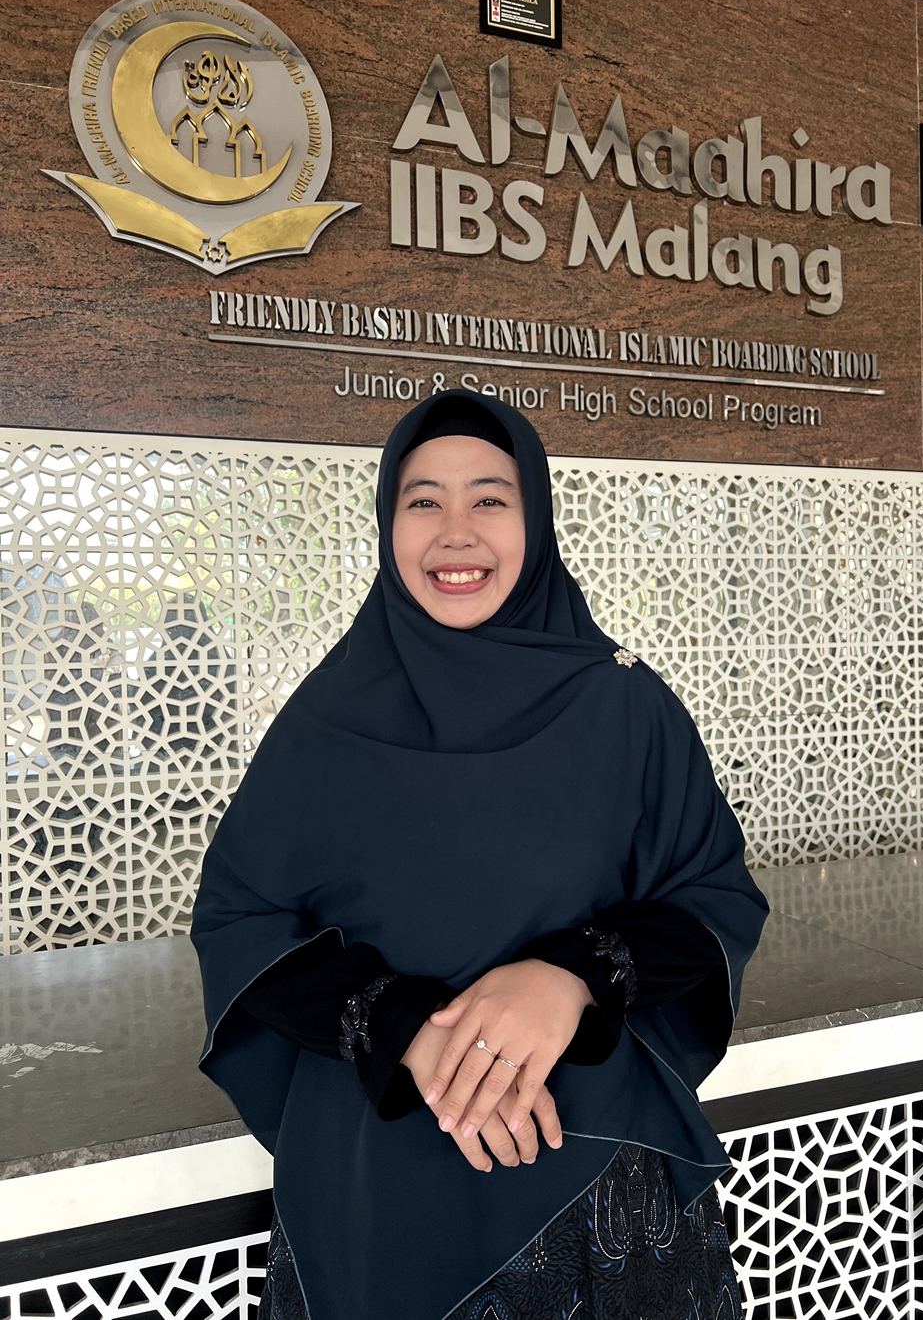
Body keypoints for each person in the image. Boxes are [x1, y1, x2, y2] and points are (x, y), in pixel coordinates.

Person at [192, 391, 768, 1320]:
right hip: (379, 1182)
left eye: (490, 499)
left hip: (598, 1188)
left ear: (535, 519)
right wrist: (405, 1027)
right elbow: (241, 919)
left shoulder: (625, 708)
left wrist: (571, 977)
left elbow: (713, 896)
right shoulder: (323, 726)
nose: (455, 532)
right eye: (423, 500)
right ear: (388, 522)